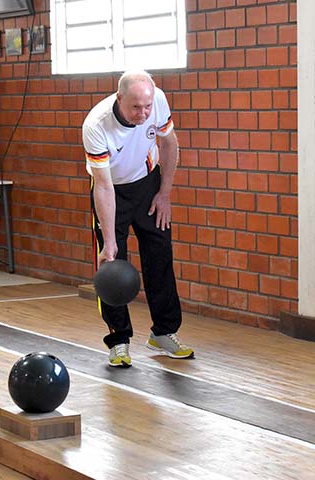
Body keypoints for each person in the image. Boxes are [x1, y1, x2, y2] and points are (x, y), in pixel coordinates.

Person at [82, 70, 194, 368]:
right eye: (135, 108)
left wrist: (164, 194)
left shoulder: (156, 100)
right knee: (112, 264)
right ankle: (118, 341)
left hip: (148, 184)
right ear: (119, 99)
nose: (144, 114)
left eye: (147, 107)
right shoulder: (96, 125)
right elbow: (104, 186)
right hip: (111, 190)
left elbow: (169, 144)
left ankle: (164, 332)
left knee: (160, 255)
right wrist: (108, 241)